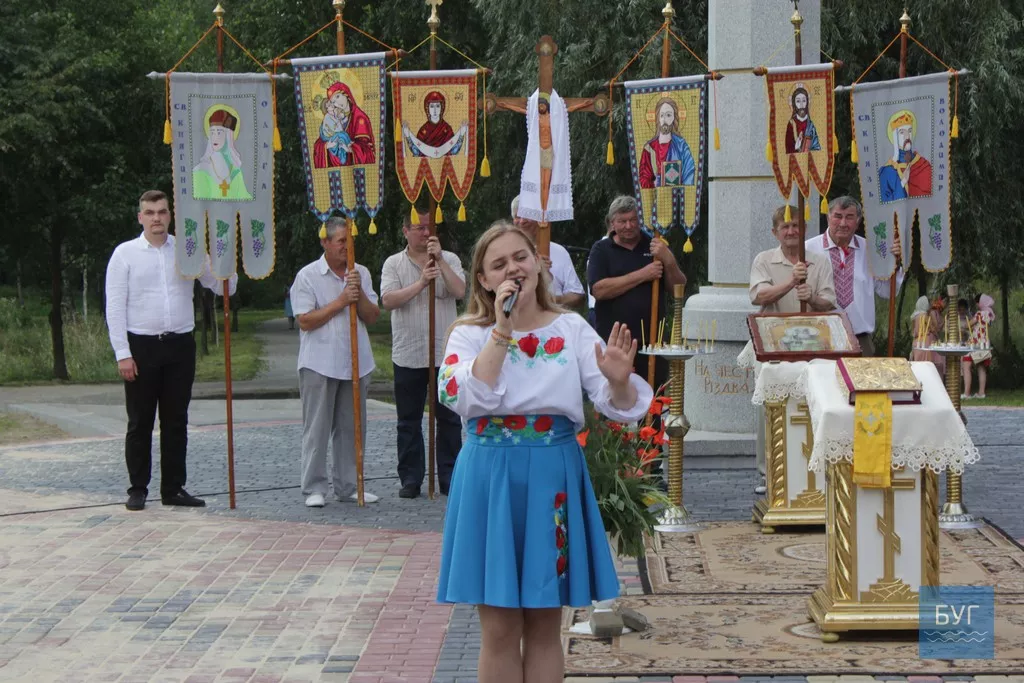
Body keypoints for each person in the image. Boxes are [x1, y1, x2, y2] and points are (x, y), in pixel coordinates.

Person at [436, 221, 653, 682]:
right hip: (490, 478)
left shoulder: (571, 328)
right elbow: (460, 395)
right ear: (484, 280)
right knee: (499, 628)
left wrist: (618, 381)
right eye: (499, 264)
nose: (513, 268)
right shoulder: (468, 334)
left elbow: (618, 404)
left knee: (543, 625)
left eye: (520, 257)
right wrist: (502, 330)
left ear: (537, 264)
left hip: (552, 477)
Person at [105, 189, 238, 511]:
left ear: (170, 215)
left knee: (176, 420)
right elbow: (115, 307)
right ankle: (138, 488)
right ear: (140, 217)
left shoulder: (187, 250)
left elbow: (225, 287)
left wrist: (219, 259)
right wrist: (123, 353)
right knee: (140, 422)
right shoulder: (125, 254)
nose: (156, 219)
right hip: (142, 346)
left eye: (162, 212)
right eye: (150, 213)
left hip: (179, 345)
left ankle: (173, 488)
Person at [291, 216, 382, 507]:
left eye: (350, 240)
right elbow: (305, 320)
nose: (347, 246)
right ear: (325, 242)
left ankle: (349, 485)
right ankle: (314, 487)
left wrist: (357, 293)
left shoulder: (361, 272)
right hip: (319, 363)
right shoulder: (308, 275)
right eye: (342, 241)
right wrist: (341, 300)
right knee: (317, 428)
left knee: (351, 427)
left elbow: (372, 316)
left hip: (356, 362)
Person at [380, 210, 467, 498]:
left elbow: (460, 291)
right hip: (409, 353)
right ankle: (410, 478)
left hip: (445, 353)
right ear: (405, 231)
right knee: (409, 420)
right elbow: (388, 300)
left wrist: (439, 260)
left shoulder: (449, 258)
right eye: (419, 227)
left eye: (430, 227)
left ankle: (450, 476)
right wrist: (420, 283)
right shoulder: (393, 263)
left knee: (449, 419)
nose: (426, 232)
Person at [587, 194, 687, 381]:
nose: (628, 226)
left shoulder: (654, 246)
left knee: (653, 395)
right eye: (622, 221)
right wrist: (644, 274)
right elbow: (599, 290)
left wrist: (669, 260)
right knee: (615, 395)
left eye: (633, 220)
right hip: (614, 343)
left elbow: (678, 289)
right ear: (612, 223)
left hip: (652, 343)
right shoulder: (601, 250)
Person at [805, 196, 903, 357]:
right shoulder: (808, 249)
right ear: (828, 217)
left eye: (849, 217)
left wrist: (895, 265)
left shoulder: (872, 249)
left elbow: (887, 292)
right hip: (818, 338)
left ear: (858, 222)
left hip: (860, 340)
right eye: (838, 216)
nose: (843, 223)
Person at [749, 205, 836, 314]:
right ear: (775, 232)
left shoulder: (820, 262)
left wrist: (812, 299)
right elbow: (760, 297)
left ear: (804, 228)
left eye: (795, 225)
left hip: (811, 325)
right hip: (775, 325)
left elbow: (829, 303)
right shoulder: (763, 260)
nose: (791, 232)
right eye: (785, 227)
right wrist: (792, 282)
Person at [511, 195, 586, 309]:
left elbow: (578, 296)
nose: (522, 221)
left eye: (527, 215)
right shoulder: (505, 253)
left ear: (539, 218)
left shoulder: (559, 252)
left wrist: (550, 301)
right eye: (517, 216)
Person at [313, 81, 376, 168]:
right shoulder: (332, 117)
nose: (336, 103)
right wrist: (327, 145)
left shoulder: (359, 118)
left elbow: (368, 150)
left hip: (353, 167)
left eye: (337, 97)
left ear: (346, 94)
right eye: (333, 102)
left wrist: (350, 148)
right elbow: (320, 142)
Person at [192, 107, 252, 200]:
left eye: (219, 132)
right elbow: (198, 200)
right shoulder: (201, 170)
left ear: (228, 136)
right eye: (212, 133)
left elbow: (245, 198)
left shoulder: (235, 170)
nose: (215, 137)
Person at [638, 97, 696, 188]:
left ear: (674, 118)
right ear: (658, 118)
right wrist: (654, 183)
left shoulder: (681, 146)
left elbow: (689, 173)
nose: (664, 120)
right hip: (656, 195)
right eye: (662, 115)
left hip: (677, 195)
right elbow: (643, 177)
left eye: (668, 115)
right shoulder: (649, 148)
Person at [879, 110, 933, 202]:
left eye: (910, 131)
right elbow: (885, 205)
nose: (907, 136)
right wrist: (903, 182)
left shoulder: (924, 166)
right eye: (902, 132)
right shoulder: (886, 172)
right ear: (895, 137)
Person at [403, 90, 468, 158]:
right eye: (431, 106)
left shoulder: (447, 128)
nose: (435, 110)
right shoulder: (423, 130)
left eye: (437, 106)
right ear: (427, 108)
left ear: (442, 108)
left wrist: (461, 134)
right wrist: (408, 136)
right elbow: (417, 153)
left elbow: (453, 152)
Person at [962, 294, 995, 399]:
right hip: (984, 342)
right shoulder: (989, 314)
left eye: (977, 302)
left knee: (966, 364)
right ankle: (981, 393)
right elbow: (983, 326)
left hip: (975, 341)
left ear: (980, 302)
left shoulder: (980, 313)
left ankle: (967, 393)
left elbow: (968, 325)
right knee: (981, 367)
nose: (977, 305)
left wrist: (964, 324)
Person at [910, 295, 943, 377]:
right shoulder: (925, 316)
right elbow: (933, 329)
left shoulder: (914, 317)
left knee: (917, 365)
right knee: (926, 365)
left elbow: (913, 332)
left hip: (916, 342)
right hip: (925, 341)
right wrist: (938, 338)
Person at [784, 84, 821, 154]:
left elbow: (816, 147)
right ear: (794, 104)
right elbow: (788, 149)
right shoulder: (791, 124)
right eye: (798, 101)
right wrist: (796, 147)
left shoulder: (811, 124)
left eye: (804, 101)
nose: (801, 105)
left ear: (807, 102)